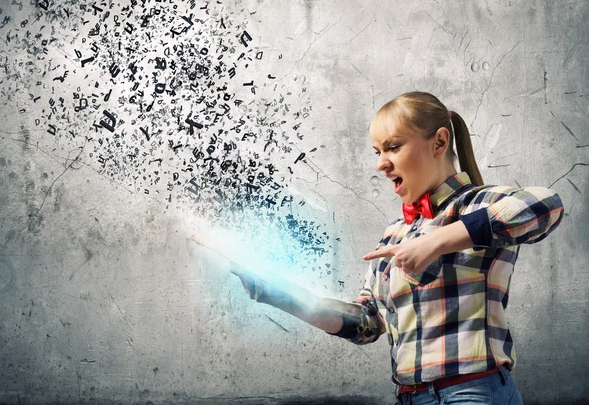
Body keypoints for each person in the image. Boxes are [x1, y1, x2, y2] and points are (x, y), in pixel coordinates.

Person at [231, 91, 564, 405]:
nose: (381, 164)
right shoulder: (394, 235)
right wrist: (279, 295)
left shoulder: (479, 204)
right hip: (409, 396)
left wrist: (436, 241)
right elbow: (367, 323)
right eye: (378, 152)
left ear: (439, 142)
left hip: (472, 392)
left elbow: (545, 205)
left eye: (392, 147)